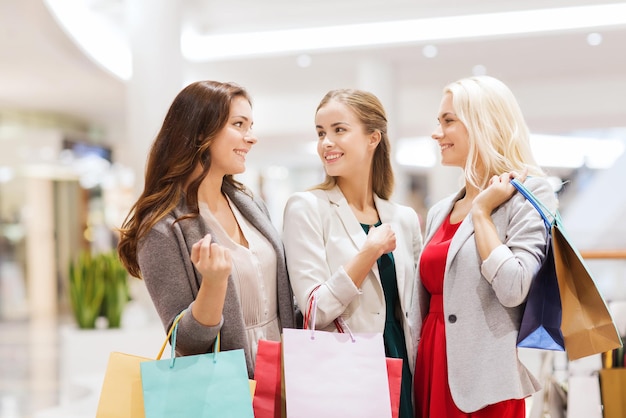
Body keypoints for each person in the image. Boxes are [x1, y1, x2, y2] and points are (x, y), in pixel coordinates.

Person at [117, 80, 296, 378]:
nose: (251, 138)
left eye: (250, 125)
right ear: (200, 132)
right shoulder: (162, 227)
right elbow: (184, 342)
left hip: (284, 375)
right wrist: (213, 283)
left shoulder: (250, 205)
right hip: (229, 385)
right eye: (239, 124)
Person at [411, 75, 558, 417]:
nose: (437, 133)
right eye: (438, 122)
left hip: (487, 379)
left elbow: (513, 288)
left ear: (481, 125)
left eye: (449, 121)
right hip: (433, 364)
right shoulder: (440, 210)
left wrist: (481, 213)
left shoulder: (530, 195)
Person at [282, 89, 423, 418]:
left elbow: (415, 309)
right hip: (342, 375)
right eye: (320, 133)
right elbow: (314, 311)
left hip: (401, 366)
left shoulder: (401, 218)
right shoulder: (306, 208)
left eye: (338, 130)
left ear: (373, 138)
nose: (326, 142)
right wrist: (368, 252)